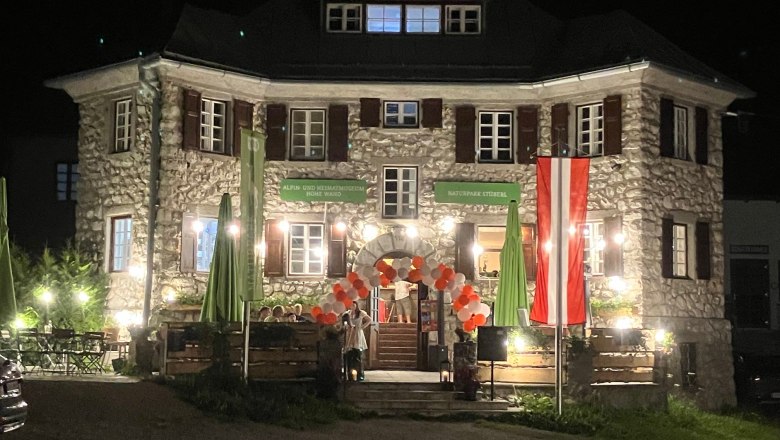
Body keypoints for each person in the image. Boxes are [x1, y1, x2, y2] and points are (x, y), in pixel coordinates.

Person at [344, 302, 372, 381]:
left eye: (353, 305)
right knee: (349, 355)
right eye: (351, 305)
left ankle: (360, 374)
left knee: (358, 355)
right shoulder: (347, 313)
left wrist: (362, 327)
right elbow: (344, 322)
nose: (352, 306)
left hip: (357, 334)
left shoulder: (361, 313)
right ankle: (349, 375)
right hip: (350, 334)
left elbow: (369, 320)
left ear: (356, 306)